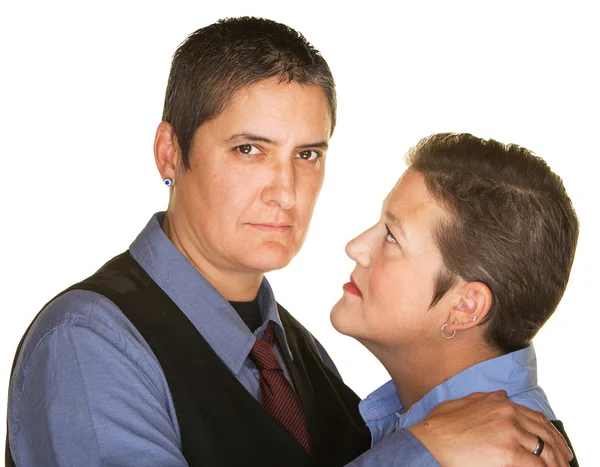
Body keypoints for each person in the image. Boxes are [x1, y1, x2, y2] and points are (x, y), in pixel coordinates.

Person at [6, 17, 573, 467]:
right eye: (249, 149)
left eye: (308, 155)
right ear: (169, 153)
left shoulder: (294, 352)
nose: (286, 192)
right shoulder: (88, 345)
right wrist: (424, 451)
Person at [332, 133, 579, 465]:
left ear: (465, 308)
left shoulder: (499, 459)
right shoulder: (428, 430)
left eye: (392, 237)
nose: (356, 247)